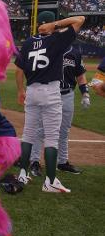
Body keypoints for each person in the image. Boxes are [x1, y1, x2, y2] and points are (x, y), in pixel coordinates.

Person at [15, 11, 85, 193]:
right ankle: (50, 181)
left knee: (28, 134)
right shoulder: (56, 39)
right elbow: (80, 19)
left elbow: (18, 70)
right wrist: (56, 25)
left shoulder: (29, 42)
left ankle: (23, 173)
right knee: (52, 137)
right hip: (50, 91)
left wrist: (20, 90)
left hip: (32, 91)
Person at [17, 45, 90, 176]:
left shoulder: (74, 53)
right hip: (48, 94)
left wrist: (85, 93)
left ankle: (62, 162)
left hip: (67, 94)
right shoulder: (48, 48)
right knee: (40, 130)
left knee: (64, 130)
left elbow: (80, 76)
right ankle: (35, 162)